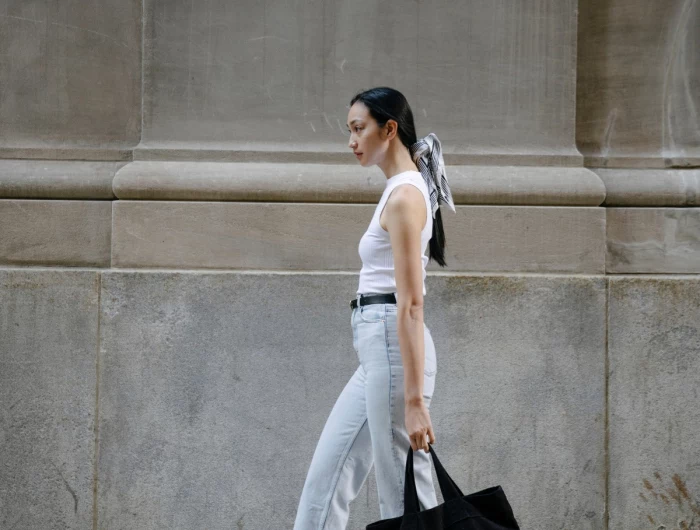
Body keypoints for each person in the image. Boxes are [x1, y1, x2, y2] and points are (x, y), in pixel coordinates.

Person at [293, 86, 455, 529]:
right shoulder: (399, 190)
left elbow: (412, 304)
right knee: (325, 485)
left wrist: (416, 401)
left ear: (389, 129)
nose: (352, 141)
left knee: (404, 498)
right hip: (377, 349)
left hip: (392, 344)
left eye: (359, 129)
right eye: (350, 130)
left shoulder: (405, 197)